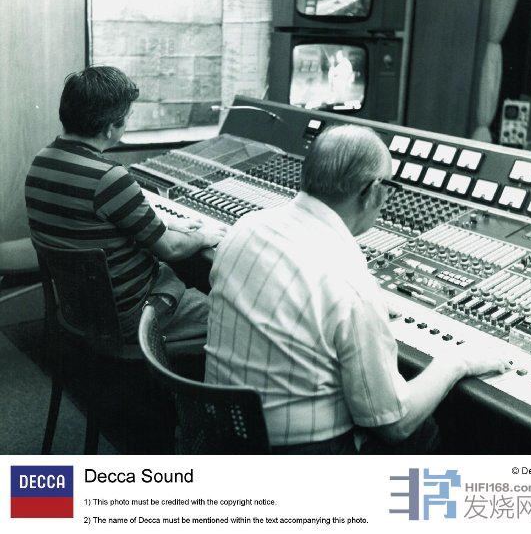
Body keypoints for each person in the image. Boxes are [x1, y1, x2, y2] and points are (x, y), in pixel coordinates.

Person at [204, 125, 511, 454]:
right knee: (426, 431)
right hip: (298, 459)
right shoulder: (350, 284)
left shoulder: (245, 228)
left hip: (223, 437)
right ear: (373, 192)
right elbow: (395, 425)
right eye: (389, 187)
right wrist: (457, 362)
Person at [25, 66, 226, 342]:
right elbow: (172, 249)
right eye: (128, 118)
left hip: (78, 308)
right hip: (132, 315)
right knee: (231, 321)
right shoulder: (109, 178)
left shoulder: (42, 160)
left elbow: (92, 220)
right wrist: (204, 237)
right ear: (110, 128)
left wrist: (165, 223)